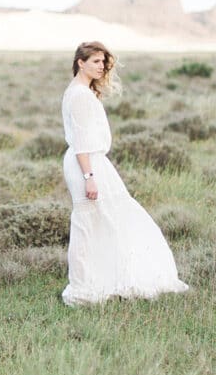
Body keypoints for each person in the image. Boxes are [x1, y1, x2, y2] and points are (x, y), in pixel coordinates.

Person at [61, 41, 188, 305]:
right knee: (88, 223)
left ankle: (104, 278)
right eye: (95, 61)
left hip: (91, 161)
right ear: (80, 63)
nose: (101, 66)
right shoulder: (79, 95)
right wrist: (89, 178)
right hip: (87, 163)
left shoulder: (80, 91)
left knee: (107, 219)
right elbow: (82, 142)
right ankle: (83, 286)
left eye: (103, 62)